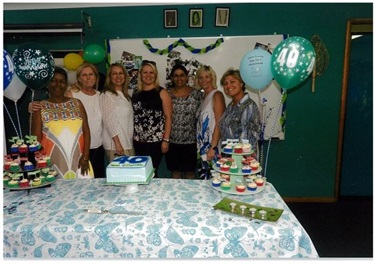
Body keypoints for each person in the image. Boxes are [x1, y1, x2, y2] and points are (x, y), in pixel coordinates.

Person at [31, 67, 92, 179]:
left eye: (62, 81)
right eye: (54, 80)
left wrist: (85, 157)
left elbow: (86, 131)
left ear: (66, 85)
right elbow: (35, 140)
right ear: (47, 84)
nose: (58, 84)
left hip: (79, 160)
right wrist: (42, 164)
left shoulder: (77, 103)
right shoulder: (40, 107)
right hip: (52, 161)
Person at [131, 60, 172, 177]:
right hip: (138, 141)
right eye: (145, 72)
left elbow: (168, 117)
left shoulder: (162, 92)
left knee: (152, 171)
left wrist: (166, 140)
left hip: (155, 142)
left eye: (151, 73)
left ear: (155, 75)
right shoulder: (136, 93)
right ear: (140, 74)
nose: (148, 75)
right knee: (141, 172)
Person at [66, 63, 105, 178]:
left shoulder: (100, 95)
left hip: (98, 146)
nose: (88, 78)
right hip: (79, 148)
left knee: (98, 179)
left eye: (91, 74)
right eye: (84, 75)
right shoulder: (72, 94)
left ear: (96, 77)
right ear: (79, 78)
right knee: (81, 180)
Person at [165, 64, 203, 179]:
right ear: (171, 78)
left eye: (182, 75)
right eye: (175, 76)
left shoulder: (197, 94)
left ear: (187, 77)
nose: (179, 78)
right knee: (175, 172)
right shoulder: (166, 94)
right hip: (172, 142)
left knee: (190, 173)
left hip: (191, 142)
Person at [219, 68, 261, 156]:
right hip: (229, 156)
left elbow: (247, 138)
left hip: (242, 160)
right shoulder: (231, 106)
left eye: (232, 81)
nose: (228, 86)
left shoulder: (248, 106)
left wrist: (239, 160)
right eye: (225, 83)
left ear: (241, 84)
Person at [195, 65, 226, 180]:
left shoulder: (217, 95)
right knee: (204, 181)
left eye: (207, 77)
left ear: (212, 78)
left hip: (212, 148)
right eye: (201, 77)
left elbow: (219, 123)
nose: (204, 80)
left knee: (215, 181)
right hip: (202, 147)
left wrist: (213, 148)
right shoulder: (204, 97)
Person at [100, 63, 134, 162]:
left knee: (129, 176)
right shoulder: (107, 95)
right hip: (116, 145)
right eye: (114, 73)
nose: (118, 76)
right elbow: (108, 121)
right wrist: (117, 144)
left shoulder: (125, 95)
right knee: (121, 176)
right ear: (109, 77)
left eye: (121, 73)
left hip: (126, 142)